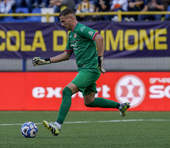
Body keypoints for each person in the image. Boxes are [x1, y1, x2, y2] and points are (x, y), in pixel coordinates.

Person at [32, 8, 130, 136]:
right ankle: (121, 106)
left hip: (91, 69)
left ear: (71, 18)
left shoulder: (81, 29)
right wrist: (45, 61)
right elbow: (66, 55)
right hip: (85, 70)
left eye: (63, 21)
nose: (62, 24)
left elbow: (99, 38)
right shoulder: (72, 34)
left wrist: (100, 60)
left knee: (66, 91)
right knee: (89, 101)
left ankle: (57, 125)